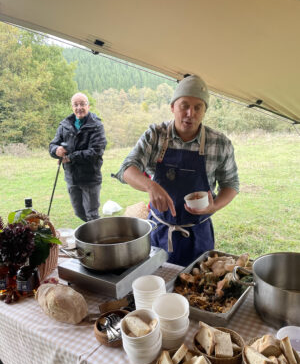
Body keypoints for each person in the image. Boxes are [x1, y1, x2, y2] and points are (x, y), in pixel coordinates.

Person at [115, 75, 239, 267]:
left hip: (198, 233)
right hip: (159, 230)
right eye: (184, 105)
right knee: (156, 283)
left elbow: (231, 184)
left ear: (205, 111)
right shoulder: (155, 135)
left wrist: (214, 206)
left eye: (198, 107)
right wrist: (150, 186)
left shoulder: (219, 143)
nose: (190, 113)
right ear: (173, 107)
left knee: (196, 290)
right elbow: (126, 169)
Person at [49, 92, 107, 222]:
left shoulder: (96, 126)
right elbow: (52, 145)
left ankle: (95, 240)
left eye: (82, 104)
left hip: (90, 177)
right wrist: (56, 150)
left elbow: (95, 152)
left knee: (92, 215)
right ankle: (91, 236)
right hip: (72, 178)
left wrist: (71, 157)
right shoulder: (65, 125)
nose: (79, 107)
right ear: (72, 107)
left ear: (88, 106)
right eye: (76, 104)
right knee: (79, 212)